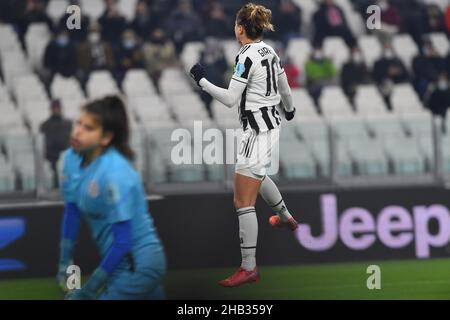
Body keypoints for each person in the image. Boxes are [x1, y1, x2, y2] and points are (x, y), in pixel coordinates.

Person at [190, 3, 298, 288]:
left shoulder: (246, 56)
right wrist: (289, 110)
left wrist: (201, 80)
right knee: (259, 177)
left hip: (256, 133)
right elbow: (285, 86)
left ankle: (249, 267)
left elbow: (229, 99)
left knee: (242, 201)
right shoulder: (270, 50)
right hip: (270, 126)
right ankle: (285, 216)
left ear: (240, 28)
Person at [57, 96, 166, 300]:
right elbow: (72, 211)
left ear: (106, 138)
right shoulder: (71, 160)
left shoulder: (116, 172)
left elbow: (123, 241)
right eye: (78, 123)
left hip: (137, 264)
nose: (78, 131)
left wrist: (88, 291)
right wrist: (64, 261)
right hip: (119, 265)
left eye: (88, 128)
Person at [39, 100, 72, 188]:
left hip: (66, 154)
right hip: (51, 156)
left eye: (58, 108)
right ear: (51, 109)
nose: (56, 110)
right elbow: (44, 142)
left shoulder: (68, 123)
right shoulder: (45, 125)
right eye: (55, 108)